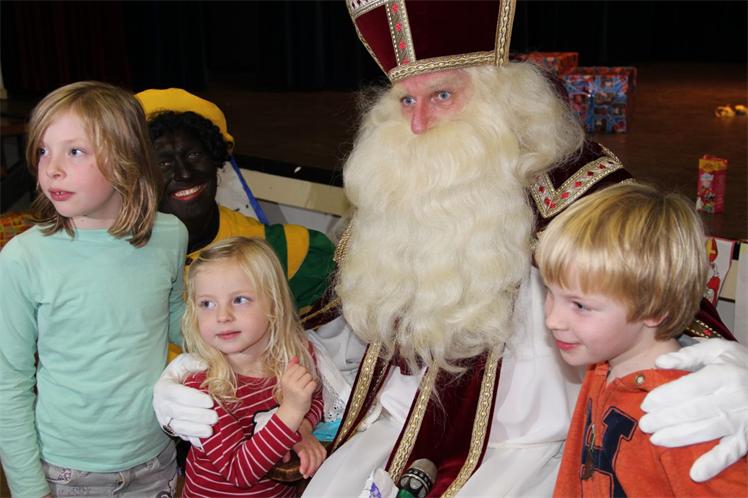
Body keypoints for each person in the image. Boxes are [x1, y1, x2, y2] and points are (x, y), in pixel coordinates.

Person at [155, 2, 748, 496]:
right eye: (405, 101)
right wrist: (207, 368)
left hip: (533, 446)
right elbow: (344, 324)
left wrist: (727, 369)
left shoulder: (575, 182)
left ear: (501, 99)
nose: (417, 125)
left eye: (441, 95)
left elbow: (660, 296)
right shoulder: (397, 183)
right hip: (395, 428)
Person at [0, 81, 186, 497]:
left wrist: (236, 339)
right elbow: (8, 383)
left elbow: (174, 312)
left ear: (126, 158)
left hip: (155, 459)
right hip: (67, 473)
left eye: (75, 151)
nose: (52, 168)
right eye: (43, 150)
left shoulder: (169, 235)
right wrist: (29, 489)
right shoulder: (23, 259)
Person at [535, 183, 747, 497]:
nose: (552, 319)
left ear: (654, 308)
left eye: (579, 305)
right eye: (550, 292)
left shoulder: (684, 417)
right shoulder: (602, 366)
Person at [135, 88, 336, 313]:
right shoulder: (118, 261)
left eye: (193, 155)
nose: (185, 173)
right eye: (163, 163)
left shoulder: (286, 253)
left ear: (215, 158)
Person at [180, 236, 326, 497]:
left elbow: (314, 397)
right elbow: (239, 471)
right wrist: (292, 412)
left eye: (239, 299)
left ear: (274, 303)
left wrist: (302, 428)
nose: (222, 316)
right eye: (207, 304)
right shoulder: (201, 387)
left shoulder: (295, 355)